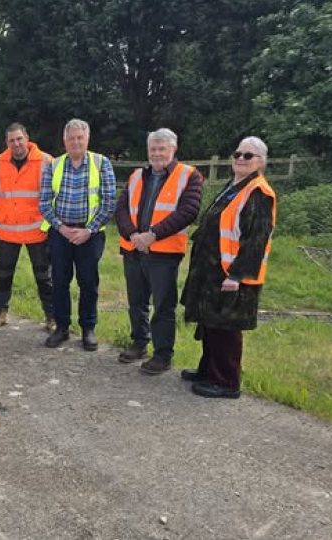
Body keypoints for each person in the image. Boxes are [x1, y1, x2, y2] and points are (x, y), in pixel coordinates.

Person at [180, 136, 277, 399]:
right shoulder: (235, 185)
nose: (240, 159)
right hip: (213, 272)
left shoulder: (258, 192)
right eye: (237, 154)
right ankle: (208, 371)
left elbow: (256, 238)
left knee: (226, 328)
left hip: (231, 274)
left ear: (261, 162)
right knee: (211, 323)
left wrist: (237, 275)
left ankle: (226, 382)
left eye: (248, 155)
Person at [116, 128, 203, 374]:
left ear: (173, 150)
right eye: (153, 149)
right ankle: (139, 342)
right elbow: (121, 207)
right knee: (137, 301)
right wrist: (133, 234)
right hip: (133, 249)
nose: (156, 153)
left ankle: (163, 354)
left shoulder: (189, 176)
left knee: (163, 305)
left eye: (161, 148)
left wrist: (152, 235)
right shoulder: (136, 175)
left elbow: (188, 212)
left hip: (164, 253)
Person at [39, 119, 116, 351]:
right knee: (60, 281)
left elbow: (109, 202)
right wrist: (60, 227)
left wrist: (89, 230)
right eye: (71, 138)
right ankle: (61, 327)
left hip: (90, 234)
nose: (75, 142)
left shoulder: (101, 163)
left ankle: (88, 328)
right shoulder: (53, 165)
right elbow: (43, 202)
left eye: (80, 138)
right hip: (60, 232)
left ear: (87, 139)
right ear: (64, 140)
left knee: (88, 282)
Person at [0, 123, 55, 331]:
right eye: (11, 140)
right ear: (6, 142)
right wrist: (6, 215)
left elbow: (53, 196)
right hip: (7, 229)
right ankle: (0, 314)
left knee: (45, 277)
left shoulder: (46, 162)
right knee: (3, 275)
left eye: (19, 139)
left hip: (37, 230)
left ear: (27, 138)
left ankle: (52, 317)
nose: (16, 144)